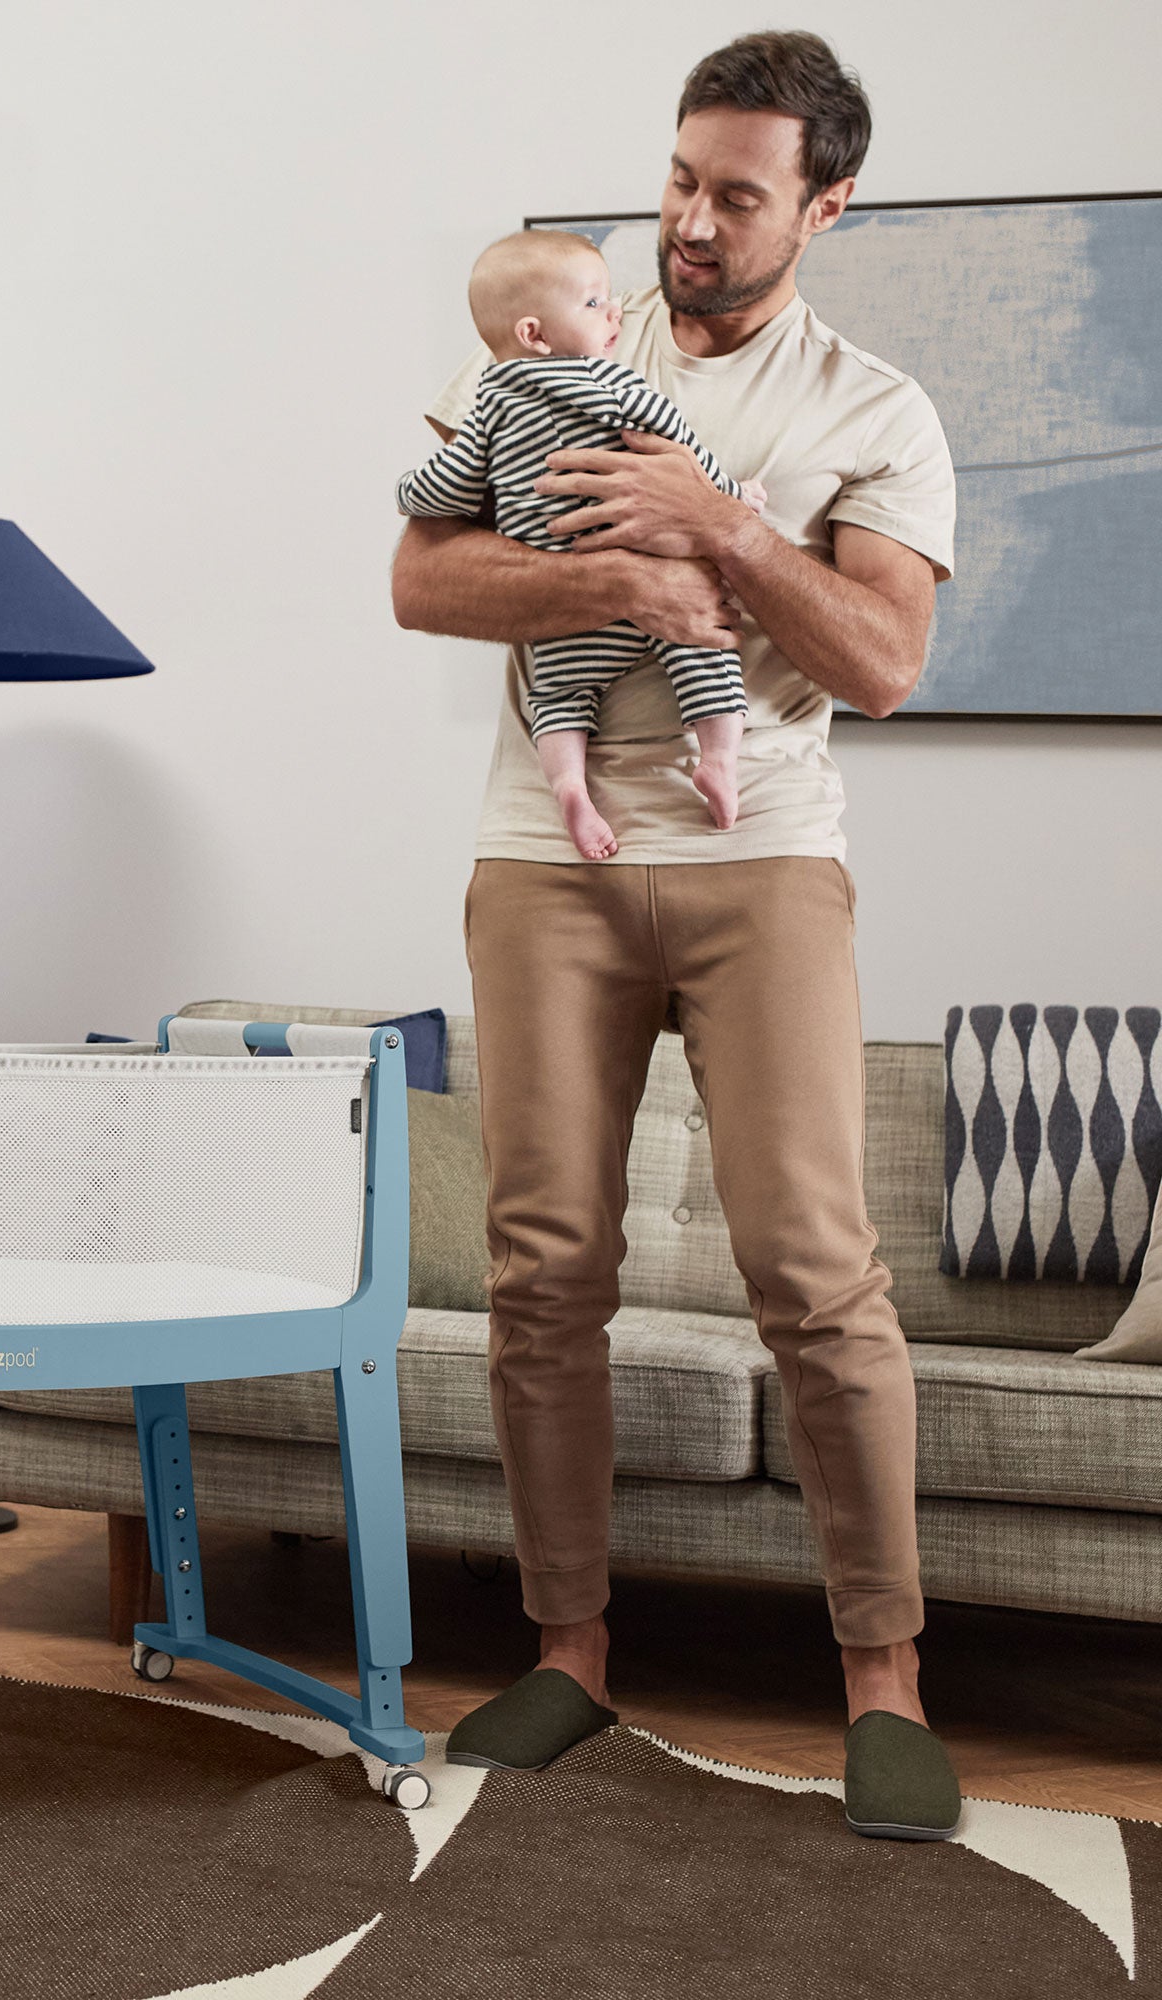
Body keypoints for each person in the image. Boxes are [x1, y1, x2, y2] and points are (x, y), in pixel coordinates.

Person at [391, 28, 963, 1841]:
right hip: (540, 859)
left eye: (735, 194)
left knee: (818, 1272)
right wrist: (616, 576)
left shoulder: (874, 410)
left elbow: (880, 663)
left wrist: (714, 518)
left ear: (824, 204)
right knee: (545, 1265)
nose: (687, 224)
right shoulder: (553, 354)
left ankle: (884, 1682)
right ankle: (569, 1654)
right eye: (677, 179)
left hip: (763, 858)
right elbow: (420, 578)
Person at [397, 229, 767, 858]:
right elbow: (680, 451)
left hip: (561, 603)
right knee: (702, 652)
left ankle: (570, 784)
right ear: (535, 335)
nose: (615, 311)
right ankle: (719, 759)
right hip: (643, 573)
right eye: (595, 303)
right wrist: (733, 493)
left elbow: (450, 486)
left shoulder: (489, 406)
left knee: (558, 697)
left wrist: (408, 490)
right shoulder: (611, 383)